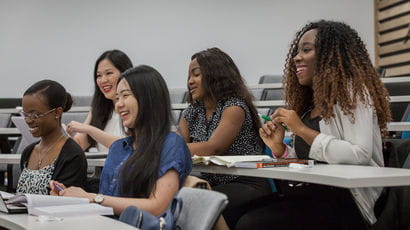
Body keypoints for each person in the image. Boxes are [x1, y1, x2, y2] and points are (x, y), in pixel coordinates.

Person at [236, 20, 392, 229]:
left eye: (306, 50)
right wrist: (279, 148)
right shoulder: (311, 103)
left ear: (330, 55)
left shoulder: (353, 93)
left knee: (252, 224)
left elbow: (359, 154)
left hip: (347, 203)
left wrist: (301, 129)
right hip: (312, 194)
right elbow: (309, 161)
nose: (296, 57)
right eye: (297, 51)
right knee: (235, 209)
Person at [50, 65, 192, 216]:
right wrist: (72, 197)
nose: (118, 104)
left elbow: (158, 206)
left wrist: (92, 198)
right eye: (117, 98)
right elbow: (107, 202)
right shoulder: (118, 147)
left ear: (148, 99)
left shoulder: (171, 144)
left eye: (125, 95)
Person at [178, 47, 272, 228]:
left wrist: (163, 146)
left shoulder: (234, 106)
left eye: (196, 74)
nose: (190, 81)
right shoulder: (191, 112)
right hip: (211, 182)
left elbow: (214, 147)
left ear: (215, 75)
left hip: (245, 181)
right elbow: (177, 144)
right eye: (189, 76)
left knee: (198, 202)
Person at [17, 80, 87, 195]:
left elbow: (70, 203)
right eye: (25, 114)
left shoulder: (72, 154)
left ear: (57, 112)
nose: (28, 120)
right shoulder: (28, 152)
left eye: (35, 115)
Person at [66, 50, 133, 152]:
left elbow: (128, 145)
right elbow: (79, 145)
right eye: (99, 76)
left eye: (109, 73)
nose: (103, 80)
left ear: (125, 73)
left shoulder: (137, 105)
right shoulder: (98, 109)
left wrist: (90, 130)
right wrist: (65, 135)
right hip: (104, 168)